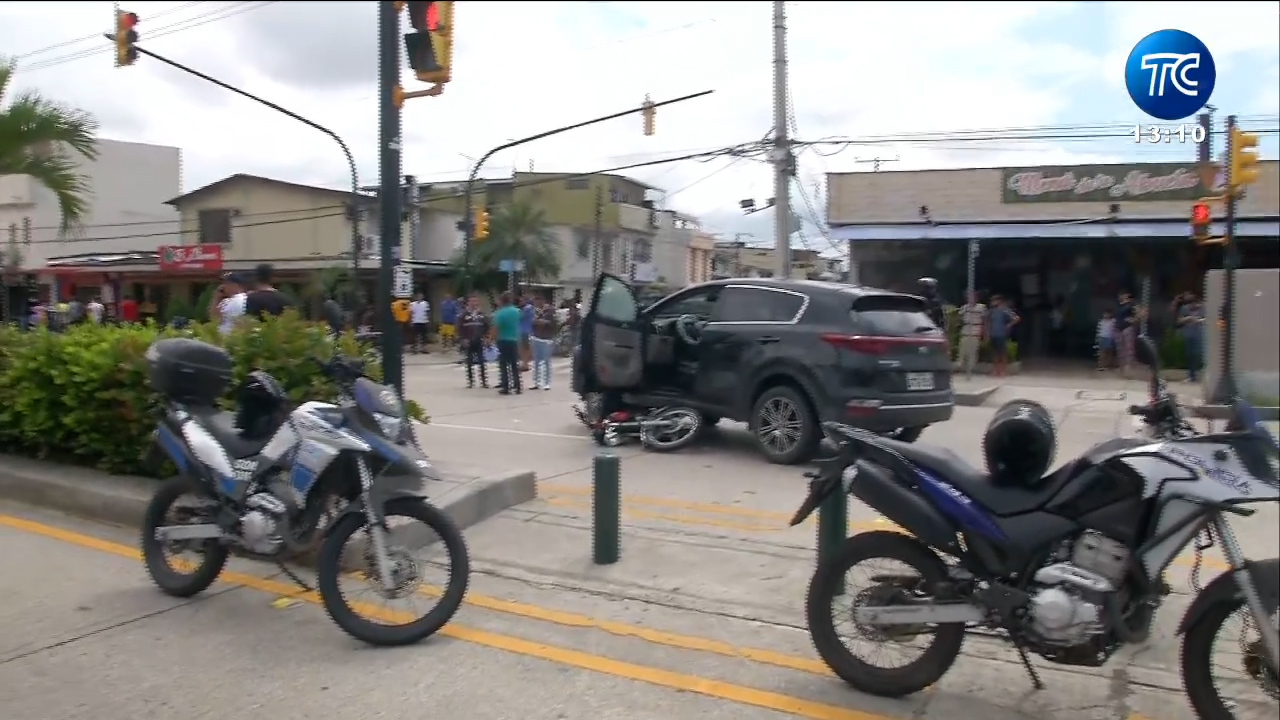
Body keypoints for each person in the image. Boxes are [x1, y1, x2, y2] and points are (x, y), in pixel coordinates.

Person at [492, 292, 523, 395]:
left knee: (504, 364)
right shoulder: (517, 311)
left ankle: (506, 386)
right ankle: (518, 386)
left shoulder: (500, 313)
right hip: (514, 339)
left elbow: (496, 328)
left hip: (503, 339)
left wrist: (491, 339)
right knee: (514, 363)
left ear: (502, 301)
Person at [458, 295, 489, 389]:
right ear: (468, 303)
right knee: (469, 362)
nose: (474, 303)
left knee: (481, 361)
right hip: (469, 340)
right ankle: (471, 381)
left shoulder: (481, 315)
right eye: (472, 301)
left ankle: (484, 381)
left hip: (479, 340)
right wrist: (463, 338)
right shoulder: (464, 315)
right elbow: (460, 328)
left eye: (476, 301)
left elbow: (486, 326)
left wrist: (486, 337)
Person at [988, 295, 1020, 378]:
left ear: (999, 301)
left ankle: (1003, 371)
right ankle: (995, 370)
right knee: (995, 353)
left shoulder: (1005, 310)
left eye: (994, 300)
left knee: (1002, 353)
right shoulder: (992, 311)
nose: (992, 302)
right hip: (993, 334)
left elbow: (1016, 318)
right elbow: (989, 321)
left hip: (1001, 334)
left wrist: (1008, 325)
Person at [530, 295, 558, 390]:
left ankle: (547, 383)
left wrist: (538, 321)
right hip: (536, 337)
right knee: (536, 361)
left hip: (547, 339)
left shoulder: (549, 311)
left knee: (546, 361)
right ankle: (537, 382)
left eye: (537, 300)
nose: (536, 303)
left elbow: (547, 323)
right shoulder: (536, 311)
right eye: (535, 301)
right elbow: (533, 322)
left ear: (542, 300)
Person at [957, 291, 987, 379]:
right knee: (962, 350)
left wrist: (983, 333)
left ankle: (970, 369)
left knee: (973, 351)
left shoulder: (981, 307)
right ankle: (960, 366)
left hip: (975, 330)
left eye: (973, 297)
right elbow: (959, 317)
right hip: (966, 330)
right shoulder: (964, 307)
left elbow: (985, 320)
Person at [1177, 293, 1205, 383]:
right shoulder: (1184, 309)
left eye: (1196, 304)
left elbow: (1207, 319)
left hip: (1199, 334)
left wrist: (1198, 320)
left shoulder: (1203, 308)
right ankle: (1191, 376)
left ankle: (1199, 375)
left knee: (1199, 354)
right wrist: (1187, 319)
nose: (1194, 306)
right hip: (1189, 334)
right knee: (1190, 355)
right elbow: (1179, 320)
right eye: (1191, 304)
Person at [1114, 291, 1137, 378]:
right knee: (1121, 350)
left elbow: (1137, 315)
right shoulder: (1121, 306)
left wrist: (1133, 320)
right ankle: (1122, 368)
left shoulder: (1130, 306)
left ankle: (1128, 368)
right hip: (1119, 329)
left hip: (1126, 328)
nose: (1121, 297)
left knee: (1128, 349)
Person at [518, 294, 536, 372]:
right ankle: (525, 363)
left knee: (524, 348)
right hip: (527, 330)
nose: (520, 302)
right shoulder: (531, 308)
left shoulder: (527, 308)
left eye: (522, 300)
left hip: (524, 331)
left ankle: (525, 364)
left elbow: (519, 317)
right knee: (525, 348)